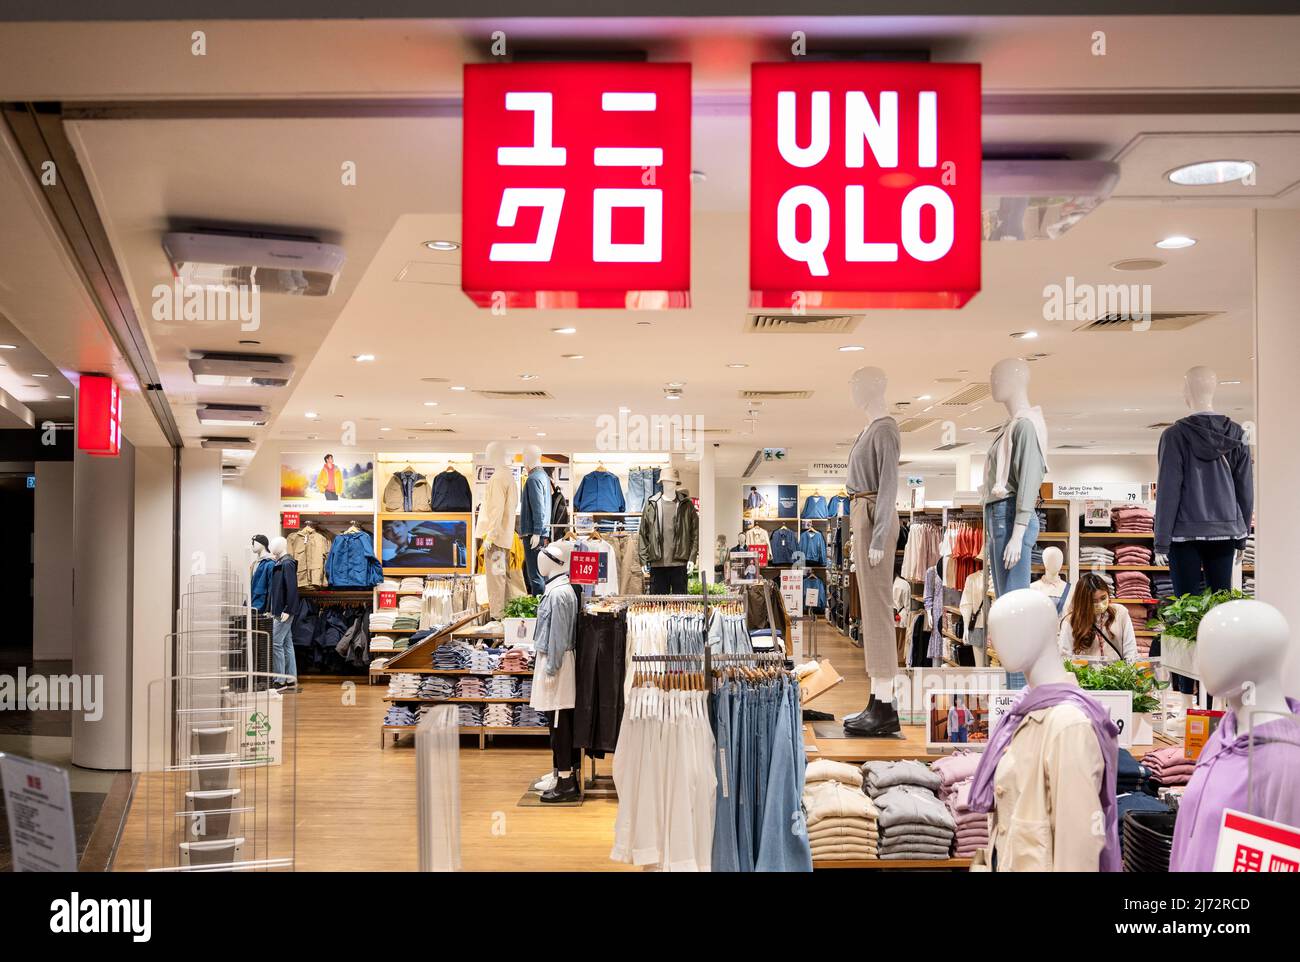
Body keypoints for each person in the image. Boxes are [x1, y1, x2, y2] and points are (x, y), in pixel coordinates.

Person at [1058, 571, 1138, 661]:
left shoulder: (1120, 613)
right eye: (1094, 601)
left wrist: (1129, 671)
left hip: (1117, 674)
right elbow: (1064, 657)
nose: (1100, 604)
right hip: (1086, 674)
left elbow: (1131, 651)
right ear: (1083, 602)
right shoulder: (1071, 621)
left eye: (1103, 598)